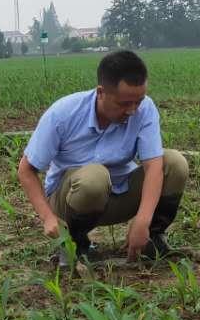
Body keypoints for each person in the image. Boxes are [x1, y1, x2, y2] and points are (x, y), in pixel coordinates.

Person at [18, 49, 189, 265]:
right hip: (70, 200)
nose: (133, 110)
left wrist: (143, 221)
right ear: (101, 92)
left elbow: (154, 167)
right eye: (124, 103)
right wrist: (48, 218)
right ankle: (75, 244)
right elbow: (26, 170)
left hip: (119, 192)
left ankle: (151, 240)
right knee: (95, 177)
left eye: (138, 101)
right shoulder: (62, 114)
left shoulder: (144, 109)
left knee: (174, 163)